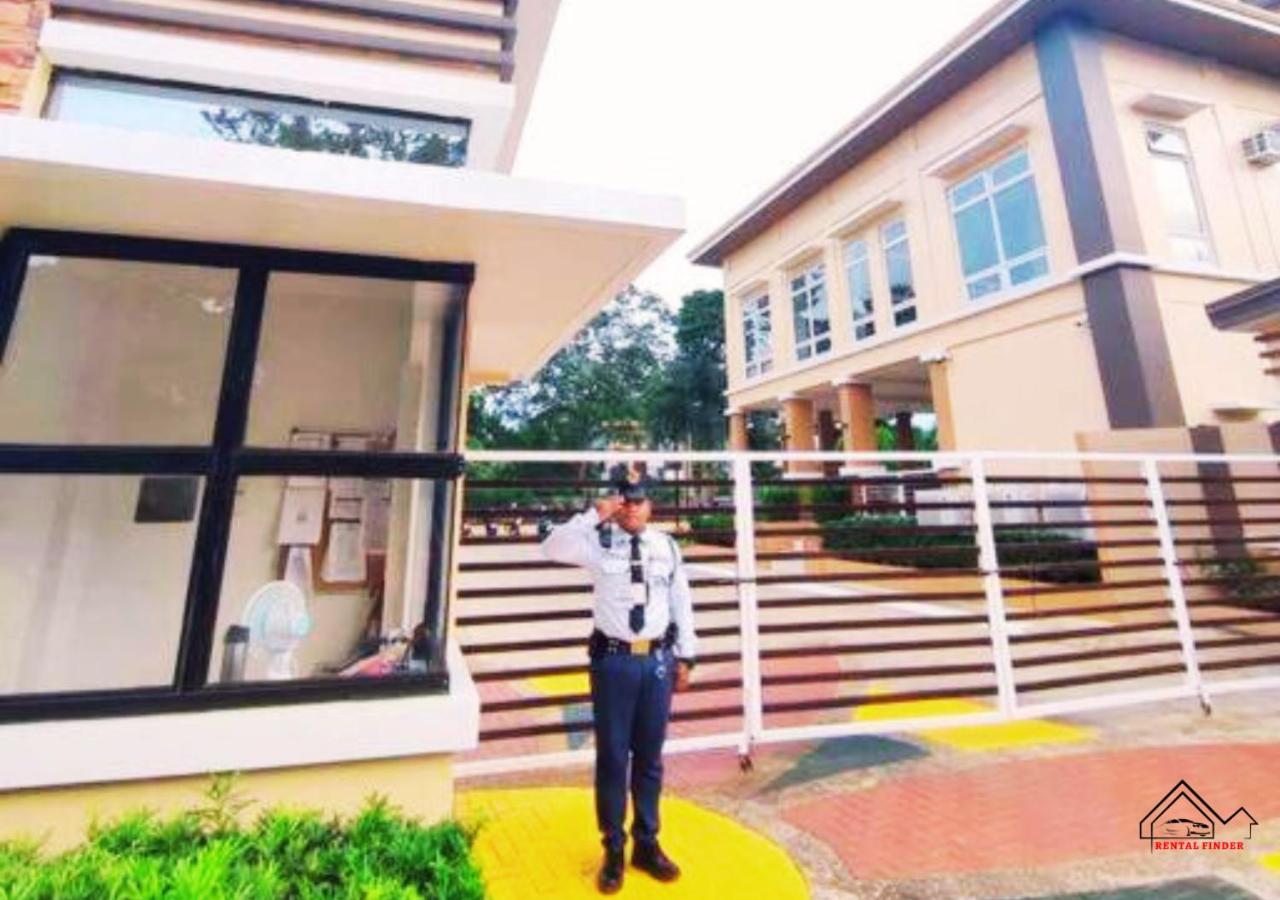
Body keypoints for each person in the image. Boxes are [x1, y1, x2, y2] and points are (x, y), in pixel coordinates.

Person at [541, 467, 698, 894]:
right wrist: (595, 514)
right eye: (624, 501)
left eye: (638, 501)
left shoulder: (666, 547)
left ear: (650, 506)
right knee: (612, 758)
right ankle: (613, 847)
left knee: (650, 758)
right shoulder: (596, 542)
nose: (630, 508)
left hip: (657, 662)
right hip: (613, 663)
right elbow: (550, 547)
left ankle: (647, 842)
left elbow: (681, 602)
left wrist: (687, 656)